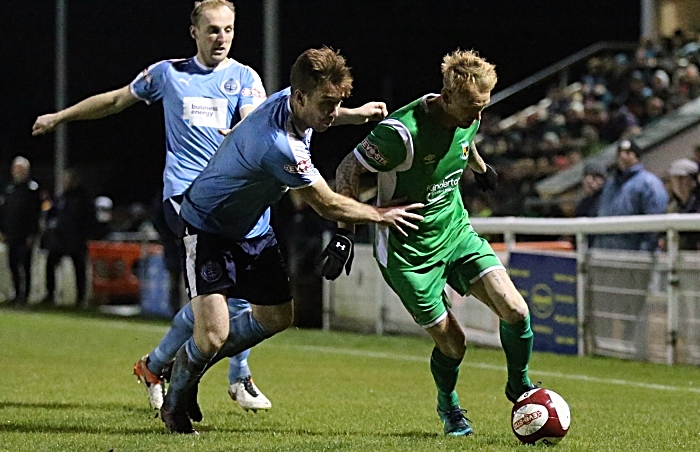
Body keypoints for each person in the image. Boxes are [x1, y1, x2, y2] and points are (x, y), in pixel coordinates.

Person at [160, 46, 423, 434]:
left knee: (278, 317)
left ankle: (192, 365)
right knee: (213, 333)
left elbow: (322, 118)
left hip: (253, 228)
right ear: (300, 97)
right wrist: (380, 215)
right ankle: (175, 400)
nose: (332, 112)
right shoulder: (279, 144)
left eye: (337, 103)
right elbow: (327, 203)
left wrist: (354, 115)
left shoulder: (292, 100)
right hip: (208, 227)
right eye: (327, 103)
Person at [32, 0, 277, 413]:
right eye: (213, 29)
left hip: (229, 197)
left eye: (229, 30)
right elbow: (114, 101)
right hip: (183, 199)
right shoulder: (169, 74)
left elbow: (255, 118)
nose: (222, 38)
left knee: (222, 298)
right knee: (222, 294)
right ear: (194, 32)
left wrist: (244, 131)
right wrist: (60, 117)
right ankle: (237, 376)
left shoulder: (244, 77)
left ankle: (157, 365)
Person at [326, 49, 537, 437]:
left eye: (483, 107)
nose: (478, 116)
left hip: (455, 233)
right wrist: (345, 232)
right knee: (455, 345)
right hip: (408, 254)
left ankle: (519, 386)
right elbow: (348, 167)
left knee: (517, 311)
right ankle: (449, 406)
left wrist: (480, 167)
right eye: (473, 107)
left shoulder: (468, 114)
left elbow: (464, 139)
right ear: (448, 95)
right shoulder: (400, 133)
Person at [592, 139, 669, 250]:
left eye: (628, 153)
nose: (623, 156)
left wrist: (645, 251)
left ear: (636, 157)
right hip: (606, 253)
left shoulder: (649, 183)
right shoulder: (610, 185)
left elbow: (655, 223)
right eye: (620, 153)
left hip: (635, 254)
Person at [40, 169, 96, 307]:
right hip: (60, 238)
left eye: (67, 180)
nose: (65, 182)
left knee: (79, 267)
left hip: (76, 238)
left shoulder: (83, 198)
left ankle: (81, 298)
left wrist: (85, 235)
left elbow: (89, 218)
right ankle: (50, 293)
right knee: (51, 262)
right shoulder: (62, 197)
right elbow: (53, 212)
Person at [0, 156, 42, 306]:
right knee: (12, 264)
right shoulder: (9, 189)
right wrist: (2, 231)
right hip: (11, 233)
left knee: (25, 265)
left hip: (25, 235)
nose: (18, 172)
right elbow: (3, 212)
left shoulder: (32, 189)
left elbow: (35, 214)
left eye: (21, 169)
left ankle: (26, 295)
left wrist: (32, 234)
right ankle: (17, 293)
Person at [666, 158, 700, 250]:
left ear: (694, 181)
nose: (677, 183)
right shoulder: (672, 207)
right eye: (674, 178)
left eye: (681, 178)